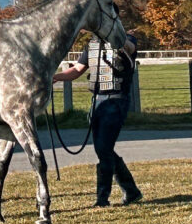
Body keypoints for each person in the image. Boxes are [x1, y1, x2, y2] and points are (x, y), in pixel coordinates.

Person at [53, 32, 143, 207]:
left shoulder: (127, 40)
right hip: (98, 101)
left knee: (103, 149)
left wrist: (112, 30)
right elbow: (77, 70)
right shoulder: (92, 44)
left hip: (116, 100)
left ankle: (103, 198)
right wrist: (54, 77)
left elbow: (130, 48)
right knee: (104, 149)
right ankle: (131, 191)